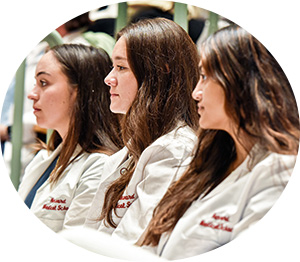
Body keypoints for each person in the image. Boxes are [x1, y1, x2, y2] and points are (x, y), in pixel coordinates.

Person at [138, 25, 300, 259]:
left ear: (241, 82)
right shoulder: (210, 160)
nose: (196, 92)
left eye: (204, 77)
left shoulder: (280, 171)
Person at [84, 18, 199, 243]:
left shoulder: (176, 149)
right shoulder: (131, 151)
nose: (108, 79)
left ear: (159, 73)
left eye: (121, 67)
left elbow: (135, 245)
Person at [18, 44, 123, 233]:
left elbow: (74, 244)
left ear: (79, 91)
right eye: (36, 83)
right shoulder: (43, 159)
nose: (32, 94)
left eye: (43, 83)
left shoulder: (100, 166)